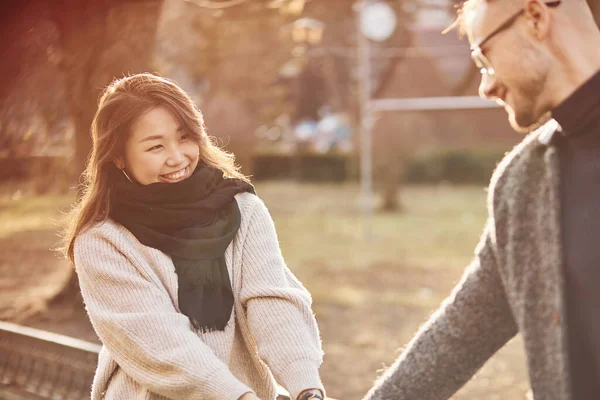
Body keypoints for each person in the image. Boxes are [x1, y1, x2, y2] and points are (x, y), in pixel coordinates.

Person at [363, 0, 600, 399]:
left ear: (536, 17)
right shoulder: (524, 183)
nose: (485, 85)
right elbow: (457, 332)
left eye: (484, 58)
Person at [61, 73, 325, 400]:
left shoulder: (244, 209)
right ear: (118, 156)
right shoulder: (103, 240)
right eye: (156, 146)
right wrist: (236, 396)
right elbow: (157, 341)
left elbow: (271, 301)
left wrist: (306, 387)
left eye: (184, 137)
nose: (177, 157)